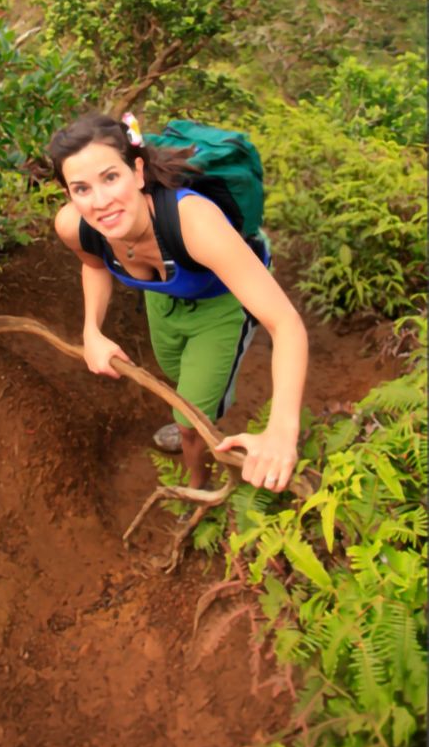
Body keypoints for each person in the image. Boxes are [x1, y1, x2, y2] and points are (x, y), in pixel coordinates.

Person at [48, 112, 308, 494]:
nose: (100, 202)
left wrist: (282, 431)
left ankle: (198, 485)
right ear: (69, 195)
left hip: (220, 304)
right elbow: (94, 265)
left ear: (138, 172)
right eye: (82, 188)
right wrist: (92, 331)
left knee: (190, 419)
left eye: (111, 177)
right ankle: (199, 405)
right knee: (176, 374)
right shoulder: (74, 226)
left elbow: (286, 324)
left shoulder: (194, 223)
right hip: (164, 298)